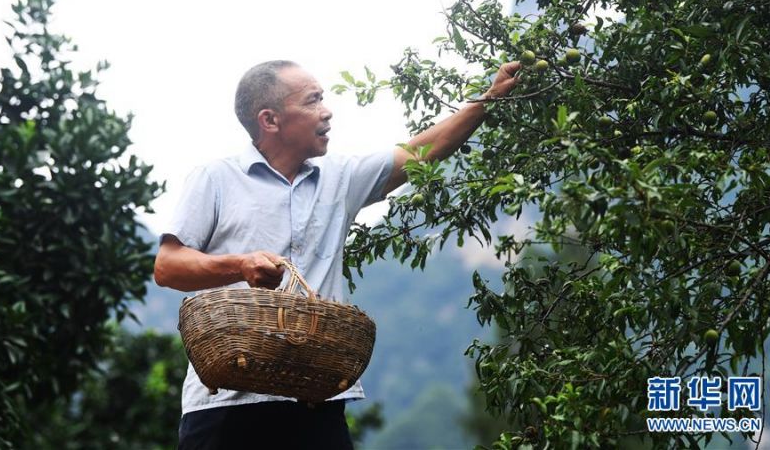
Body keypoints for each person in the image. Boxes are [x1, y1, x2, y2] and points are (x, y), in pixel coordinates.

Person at [154, 59, 521, 449]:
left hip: (315, 401)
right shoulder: (216, 179)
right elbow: (167, 266)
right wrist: (239, 265)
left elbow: (423, 151)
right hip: (225, 405)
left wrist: (490, 97)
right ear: (270, 120)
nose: (326, 111)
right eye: (312, 101)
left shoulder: (340, 178)